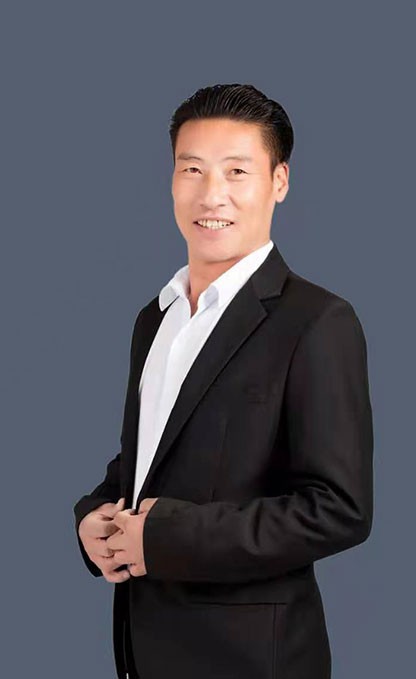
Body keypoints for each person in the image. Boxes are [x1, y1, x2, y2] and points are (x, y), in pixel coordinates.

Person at [74, 83, 374, 679]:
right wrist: (92, 516)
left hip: (250, 659)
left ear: (279, 182)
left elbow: (338, 509)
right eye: (192, 169)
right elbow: (148, 461)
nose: (212, 194)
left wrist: (165, 537)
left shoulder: (317, 321)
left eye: (237, 171)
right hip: (143, 649)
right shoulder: (154, 318)